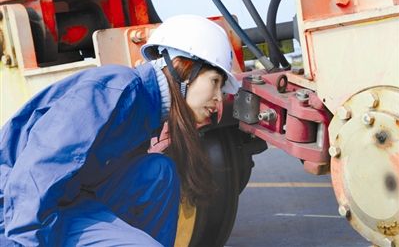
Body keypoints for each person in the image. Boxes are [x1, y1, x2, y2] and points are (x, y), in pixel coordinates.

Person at [0, 14, 239, 246]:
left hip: (70, 198)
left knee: (158, 172)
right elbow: (36, 176)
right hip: (16, 212)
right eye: (214, 82)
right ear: (182, 68)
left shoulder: (147, 108)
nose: (219, 98)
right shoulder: (115, 90)